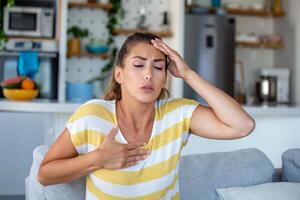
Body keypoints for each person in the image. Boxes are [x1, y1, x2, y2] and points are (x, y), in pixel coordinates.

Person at [38, 32, 255, 199]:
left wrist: (188, 74)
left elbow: (242, 125)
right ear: (119, 74)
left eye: (158, 67)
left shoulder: (177, 114)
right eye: (139, 65)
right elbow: (45, 174)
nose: (149, 74)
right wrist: (98, 159)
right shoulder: (93, 115)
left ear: (164, 80)